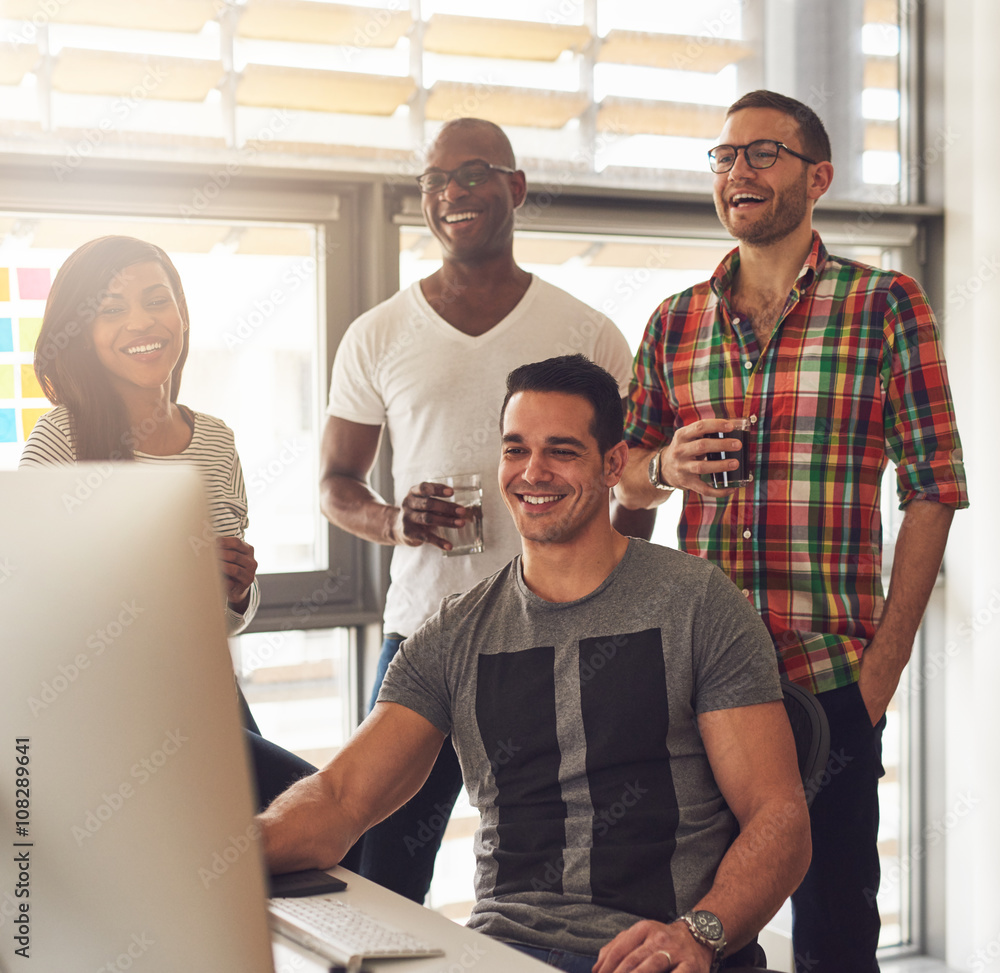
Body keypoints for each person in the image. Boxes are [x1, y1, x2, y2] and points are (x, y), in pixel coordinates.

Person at [261, 354, 810, 973]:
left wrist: (700, 934)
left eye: (562, 451)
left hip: (664, 951)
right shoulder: (454, 633)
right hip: (502, 951)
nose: (532, 472)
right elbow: (338, 799)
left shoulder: (698, 602)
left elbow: (779, 817)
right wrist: (222, 855)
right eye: (515, 449)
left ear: (611, 465)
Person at [614, 90, 969, 973]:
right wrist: (663, 469)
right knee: (694, 922)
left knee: (836, 932)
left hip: (827, 679)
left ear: (819, 177)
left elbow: (934, 489)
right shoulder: (674, 322)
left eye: (763, 153)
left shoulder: (885, 305)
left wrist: (878, 673)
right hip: (695, 684)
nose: (738, 171)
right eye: (725, 156)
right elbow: (619, 469)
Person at [321, 117, 652, 901]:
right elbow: (336, 483)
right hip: (425, 634)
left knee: (558, 872)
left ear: (516, 188)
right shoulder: (378, 334)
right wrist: (395, 521)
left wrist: (615, 593)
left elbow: (631, 481)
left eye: (473, 173)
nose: (452, 193)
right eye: (435, 181)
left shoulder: (587, 332)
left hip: (560, 637)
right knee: (382, 866)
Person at [19, 234, 315, 809]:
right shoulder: (62, 439)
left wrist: (234, 591)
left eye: (156, 300)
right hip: (107, 715)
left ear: (180, 311)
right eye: (110, 309)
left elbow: (227, 618)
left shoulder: (215, 439)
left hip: (206, 697)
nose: (140, 321)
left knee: (305, 834)